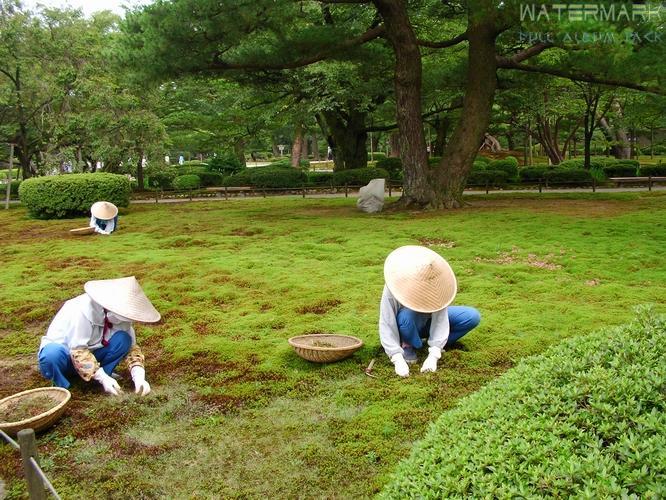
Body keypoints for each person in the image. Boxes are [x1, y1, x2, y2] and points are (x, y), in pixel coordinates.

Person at [37, 276, 161, 396]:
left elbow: (132, 350)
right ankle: (63, 386)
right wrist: (102, 378)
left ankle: (101, 377)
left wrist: (139, 378)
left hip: (93, 355)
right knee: (51, 354)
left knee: (123, 340)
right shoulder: (80, 311)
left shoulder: (121, 318)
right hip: (65, 358)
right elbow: (78, 351)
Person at [379, 245, 480, 377]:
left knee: (472, 316)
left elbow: (441, 318)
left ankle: (435, 343)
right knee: (406, 316)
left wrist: (434, 355)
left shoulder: (437, 283)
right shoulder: (393, 287)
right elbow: (387, 322)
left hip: (427, 320)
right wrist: (396, 358)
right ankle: (408, 344)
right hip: (406, 324)